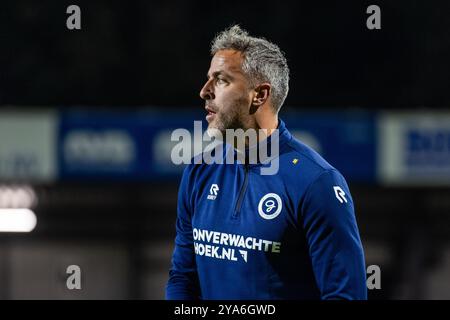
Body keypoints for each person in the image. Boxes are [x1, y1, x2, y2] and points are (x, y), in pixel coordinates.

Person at [166, 25, 367, 300]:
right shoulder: (200, 171)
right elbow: (183, 277)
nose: (204, 91)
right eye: (208, 79)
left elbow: (345, 295)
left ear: (259, 95)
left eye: (221, 80)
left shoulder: (316, 183)